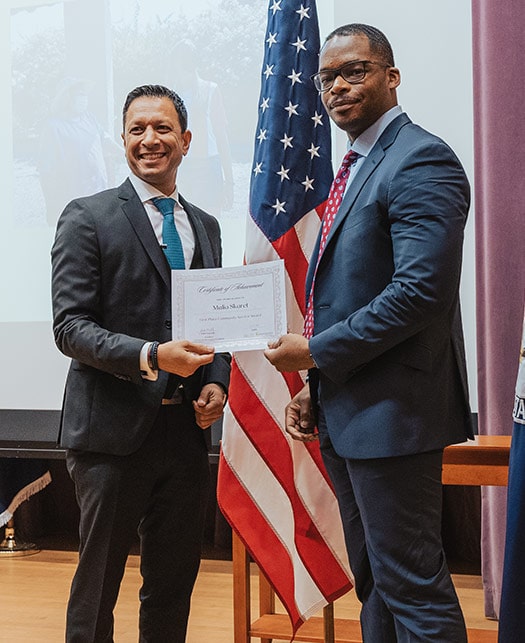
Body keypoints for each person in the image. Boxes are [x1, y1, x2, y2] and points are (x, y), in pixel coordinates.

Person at [264, 24, 473, 642]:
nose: (337, 87)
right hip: (350, 410)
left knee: (412, 587)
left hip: (396, 418)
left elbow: (419, 294)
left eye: (354, 71)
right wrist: (317, 384)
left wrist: (317, 352)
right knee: (376, 582)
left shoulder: (420, 158)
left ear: (392, 76)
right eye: (327, 77)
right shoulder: (356, 165)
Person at [51, 84, 231, 642]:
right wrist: (152, 356)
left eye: (162, 129)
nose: (149, 140)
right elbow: (70, 328)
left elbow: (214, 326)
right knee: (97, 586)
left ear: (186, 141)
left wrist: (216, 383)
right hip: (110, 435)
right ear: (122, 139)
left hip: (184, 434)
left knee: (173, 584)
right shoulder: (87, 217)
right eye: (137, 130)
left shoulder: (205, 225)